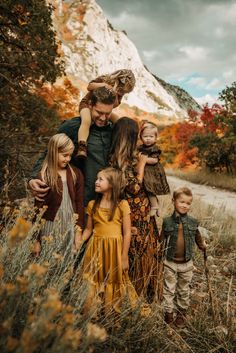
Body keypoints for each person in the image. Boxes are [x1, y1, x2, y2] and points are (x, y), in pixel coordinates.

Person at [28, 87, 117, 206]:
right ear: (90, 105)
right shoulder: (73, 126)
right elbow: (49, 153)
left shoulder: (114, 131)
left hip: (104, 204)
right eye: (99, 112)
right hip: (75, 200)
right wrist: (33, 178)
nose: (103, 118)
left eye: (107, 114)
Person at [77, 167, 142, 313]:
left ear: (112, 184)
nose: (96, 182)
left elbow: (127, 233)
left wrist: (124, 256)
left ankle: (110, 312)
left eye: (101, 179)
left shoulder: (122, 205)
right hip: (95, 248)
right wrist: (78, 242)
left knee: (113, 279)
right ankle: (92, 311)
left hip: (114, 250)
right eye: (96, 179)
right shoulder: (92, 205)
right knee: (93, 278)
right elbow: (88, 229)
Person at [109, 117, 160, 301]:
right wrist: (142, 165)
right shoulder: (120, 159)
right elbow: (134, 187)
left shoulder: (121, 155)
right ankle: (136, 292)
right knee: (137, 251)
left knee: (145, 251)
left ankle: (146, 289)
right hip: (134, 212)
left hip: (142, 210)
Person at [160, 187, 207, 328]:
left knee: (183, 289)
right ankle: (168, 313)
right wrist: (157, 251)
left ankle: (181, 314)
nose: (185, 205)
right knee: (169, 289)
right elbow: (161, 239)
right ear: (173, 201)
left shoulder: (193, 222)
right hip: (170, 262)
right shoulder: (167, 221)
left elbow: (198, 237)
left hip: (186, 264)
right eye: (182, 202)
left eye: (188, 203)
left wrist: (202, 245)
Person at [33, 133, 84, 256]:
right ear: (53, 152)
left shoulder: (75, 174)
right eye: (64, 155)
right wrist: (36, 239)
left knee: (66, 261)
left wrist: (78, 232)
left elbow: (79, 203)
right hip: (50, 226)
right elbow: (37, 210)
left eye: (70, 156)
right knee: (48, 261)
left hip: (70, 225)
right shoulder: (44, 176)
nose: (68, 159)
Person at [77, 69, 136, 158]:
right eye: (121, 90)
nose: (122, 93)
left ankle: (126, 148)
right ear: (117, 81)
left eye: (124, 92)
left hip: (103, 111)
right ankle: (82, 146)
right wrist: (104, 86)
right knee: (86, 120)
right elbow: (89, 86)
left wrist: (115, 93)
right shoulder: (104, 79)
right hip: (87, 104)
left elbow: (114, 105)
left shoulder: (119, 94)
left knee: (121, 122)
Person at [138, 121, 170, 216]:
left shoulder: (154, 148)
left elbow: (154, 160)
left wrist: (142, 159)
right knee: (148, 189)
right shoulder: (140, 148)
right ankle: (157, 205)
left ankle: (154, 206)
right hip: (145, 171)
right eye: (145, 136)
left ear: (155, 138)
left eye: (151, 137)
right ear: (141, 137)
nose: (148, 139)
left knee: (149, 189)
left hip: (152, 172)